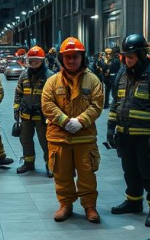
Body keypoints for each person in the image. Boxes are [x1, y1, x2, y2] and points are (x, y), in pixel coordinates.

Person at [107, 34, 150, 227]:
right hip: (125, 135)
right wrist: (111, 128)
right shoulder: (122, 73)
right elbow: (116, 104)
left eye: (131, 56)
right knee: (129, 171)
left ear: (142, 54)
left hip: (146, 137)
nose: (127, 60)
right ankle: (134, 202)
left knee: (148, 173)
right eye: (125, 57)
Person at [42, 37, 105, 223]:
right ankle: (65, 204)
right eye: (67, 57)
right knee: (62, 175)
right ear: (62, 59)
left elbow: (97, 104)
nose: (71, 60)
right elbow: (46, 104)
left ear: (81, 57)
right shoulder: (52, 81)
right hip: (58, 138)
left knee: (87, 174)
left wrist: (81, 121)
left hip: (84, 138)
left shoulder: (93, 80)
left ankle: (89, 206)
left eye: (75, 57)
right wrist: (64, 120)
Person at [14, 45, 55, 175]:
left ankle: (50, 166)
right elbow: (18, 93)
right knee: (25, 140)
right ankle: (28, 163)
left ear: (42, 60)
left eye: (36, 60)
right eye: (31, 60)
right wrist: (16, 110)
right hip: (26, 116)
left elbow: (55, 97)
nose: (33, 62)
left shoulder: (50, 77)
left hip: (42, 117)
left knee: (46, 142)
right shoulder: (24, 75)